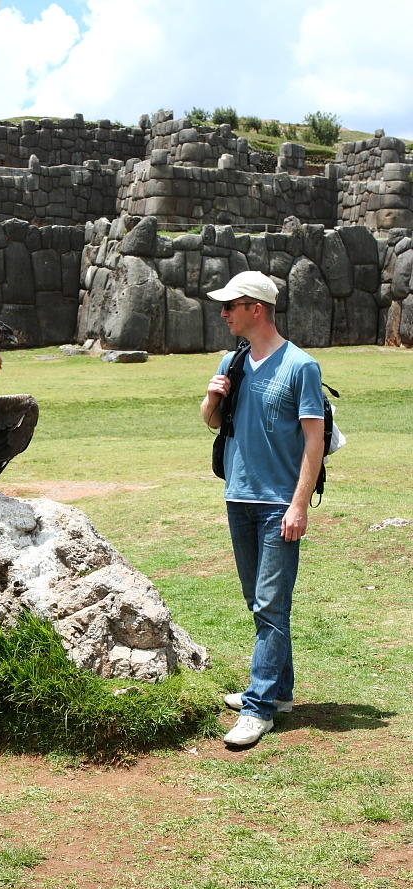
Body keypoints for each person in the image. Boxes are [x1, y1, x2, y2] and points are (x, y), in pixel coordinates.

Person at [200, 271, 325, 747]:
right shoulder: (232, 361)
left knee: (271, 606)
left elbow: (314, 440)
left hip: (278, 507)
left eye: (231, 305)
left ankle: (258, 710)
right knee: (261, 603)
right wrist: (213, 397)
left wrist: (299, 506)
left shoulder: (301, 366)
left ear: (257, 309)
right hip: (238, 497)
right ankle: (280, 692)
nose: (224, 312)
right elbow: (211, 422)